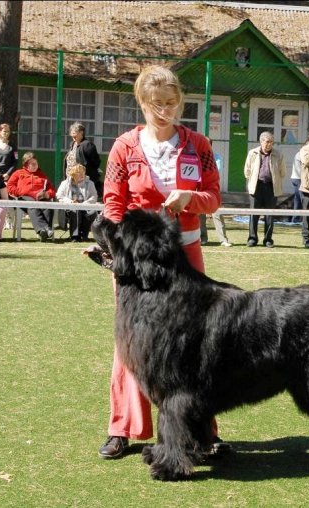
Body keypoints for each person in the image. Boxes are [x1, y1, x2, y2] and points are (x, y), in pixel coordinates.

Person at [97, 64, 227, 459]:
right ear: (142, 103)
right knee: (133, 342)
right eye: (157, 104)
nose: (165, 110)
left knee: (195, 345)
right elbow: (113, 203)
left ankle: (203, 431)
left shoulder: (198, 145)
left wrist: (191, 198)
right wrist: (118, 251)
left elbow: (214, 198)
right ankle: (123, 428)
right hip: (138, 261)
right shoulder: (124, 147)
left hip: (186, 252)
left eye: (172, 103)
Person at [243, 131, 286, 248]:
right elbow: (247, 171)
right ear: (261, 142)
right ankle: (252, 238)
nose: (269, 144)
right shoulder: (252, 153)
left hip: (271, 187)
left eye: (271, 142)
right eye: (267, 142)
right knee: (253, 214)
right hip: (256, 187)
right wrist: (252, 181)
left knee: (270, 214)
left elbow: (283, 172)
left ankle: (268, 239)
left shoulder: (278, 154)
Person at [6, 151, 56, 242]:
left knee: (48, 205)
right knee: (32, 204)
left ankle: (43, 233)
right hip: (23, 198)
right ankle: (45, 228)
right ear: (26, 164)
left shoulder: (42, 174)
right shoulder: (18, 173)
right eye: (32, 163)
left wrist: (47, 194)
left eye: (36, 163)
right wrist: (20, 192)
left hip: (40, 198)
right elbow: (9, 186)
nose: (34, 165)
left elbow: (51, 189)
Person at [200, 139, 231, 247]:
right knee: (200, 215)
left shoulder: (216, 157)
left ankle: (223, 239)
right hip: (199, 188)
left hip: (212, 189)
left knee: (217, 213)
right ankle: (202, 238)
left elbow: (215, 171)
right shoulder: (195, 156)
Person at [56, 163, 98, 242]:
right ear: (73, 174)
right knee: (75, 211)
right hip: (70, 208)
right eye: (79, 173)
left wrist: (84, 204)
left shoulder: (90, 183)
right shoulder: (65, 183)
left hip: (86, 206)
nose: (82, 174)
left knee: (92, 212)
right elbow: (59, 195)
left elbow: (94, 196)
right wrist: (70, 201)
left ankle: (84, 235)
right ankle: (75, 236)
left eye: (83, 172)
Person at [64, 122, 102, 197]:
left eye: (74, 133)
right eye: (71, 133)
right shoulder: (73, 144)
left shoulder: (87, 145)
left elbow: (96, 162)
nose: (72, 135)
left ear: (81, 133)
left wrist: (85, 173)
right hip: (71, 179)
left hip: (83, 181)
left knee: (81, 200)